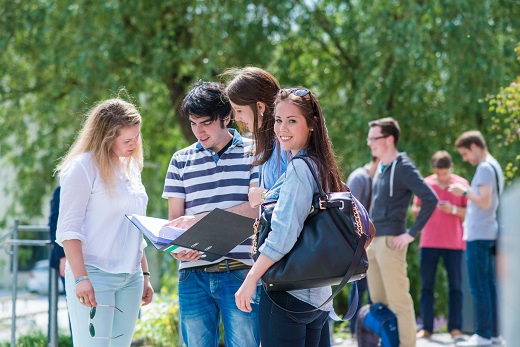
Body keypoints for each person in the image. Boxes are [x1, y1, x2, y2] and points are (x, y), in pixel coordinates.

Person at [235, 87, 346, 347]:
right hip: (319, 297)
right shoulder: (323, 166)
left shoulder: (299, 167)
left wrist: (251, 278)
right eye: (278, 120)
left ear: (312, 125)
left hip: (288, 296)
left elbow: (283, 234)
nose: (282, 128)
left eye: (292, 121)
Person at [162, 80, 260, 347]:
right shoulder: (180, 160)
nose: (198, 131)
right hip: (192, 275)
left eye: (204, 123)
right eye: (193, 123)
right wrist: (176, 250)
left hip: (240, 272)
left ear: (226, 118)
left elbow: (257, 209)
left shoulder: (256, 152)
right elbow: (175, 224)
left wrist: (200, 219)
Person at [56, 98, 154, 347]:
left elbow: (134, 226)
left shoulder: (130, 168)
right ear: (106, 137)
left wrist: (145, 274)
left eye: (136, 138)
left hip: (130, 278)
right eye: (127, 140)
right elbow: (68, 231)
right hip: (94, 274)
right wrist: (80, 279)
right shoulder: (82, 167)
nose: (134, 145)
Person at [366, 117, 438, 347]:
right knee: (379, 303)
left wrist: (411, 233)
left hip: (391, 242)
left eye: (373, 138)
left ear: (389, 139)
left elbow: (430, 199)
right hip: (374, 243)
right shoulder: (381, 168)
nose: (369, 143)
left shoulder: (403, 166)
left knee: (399, 302)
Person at [449, 130, 504, 347]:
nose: (465, 159)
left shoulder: (484, 168)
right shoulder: (494, 165)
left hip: (480, 234)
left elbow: (484, 201)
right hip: (487, 232)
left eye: (465, 153)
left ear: (474, 146)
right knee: (489, 286)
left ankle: (482, 335)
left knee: (479, 286)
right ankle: (494, 335)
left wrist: (463, 191)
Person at [412, 151, 468, 340]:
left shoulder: (461, 185)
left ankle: (455, 328)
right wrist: (426, 208)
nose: (442, 177)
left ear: (451, 167)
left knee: (456, 287)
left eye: (445, 173)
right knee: (426, 285)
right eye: (439, 173)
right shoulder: (426, 183)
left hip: (455, 243)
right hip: (429, 242)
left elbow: (470, 213)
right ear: (434, 169)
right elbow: (415, 210)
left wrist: (452, 209)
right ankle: (427, 328)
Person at [223, 66, 289, 207]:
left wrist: (264, 196)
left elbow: (301, 190)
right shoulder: (269, 145)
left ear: (260, 107)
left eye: (239, 110)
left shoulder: (286, 142)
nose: (238, 118)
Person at [346, 156, 379, 338]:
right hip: (360, 241)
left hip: (374, 239)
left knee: (373, 285)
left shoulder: (377, 180)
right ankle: (354, 330)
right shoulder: (359, 177)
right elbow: (351, 211)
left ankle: (369, 330)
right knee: (359, 285)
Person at [48, 185, 74, 344]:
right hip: (68, 259)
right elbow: (55, 224)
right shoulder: (63, 189)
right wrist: (62, 256)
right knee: (76, 309)